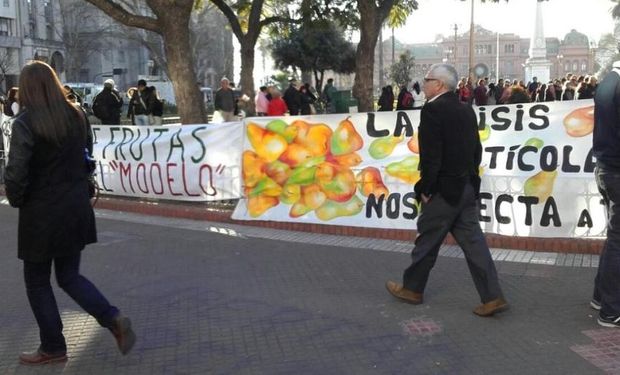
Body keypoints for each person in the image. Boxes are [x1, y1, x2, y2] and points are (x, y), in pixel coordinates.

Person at [4, 61, 136, 365]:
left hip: (41, 211)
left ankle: (53, 345)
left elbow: (16, 173)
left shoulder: (25, 122)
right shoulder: (76, 115)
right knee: (69, 276)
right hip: (74, 205)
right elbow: (86, 156)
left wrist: (16, 198)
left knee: (37, 281)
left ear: (26, 88)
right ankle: (112, 317)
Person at [385, 63, 507, 317]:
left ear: (438, 84)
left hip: (443, 190)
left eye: (427, 80)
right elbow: (476, 151)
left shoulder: (433, 110)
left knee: (427, 241)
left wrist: (426, 187)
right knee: (474, 244)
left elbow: (431, 156)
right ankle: (492, 296)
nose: (424, 84)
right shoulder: (466, 110)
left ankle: (412, 289)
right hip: (465, 188)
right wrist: (471, 181)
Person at [591, 60, 620, 327]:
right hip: (616, 169)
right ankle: (611, 309)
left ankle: (602, 297)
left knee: (615, 238)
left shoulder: (608, 81)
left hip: (606, 167)